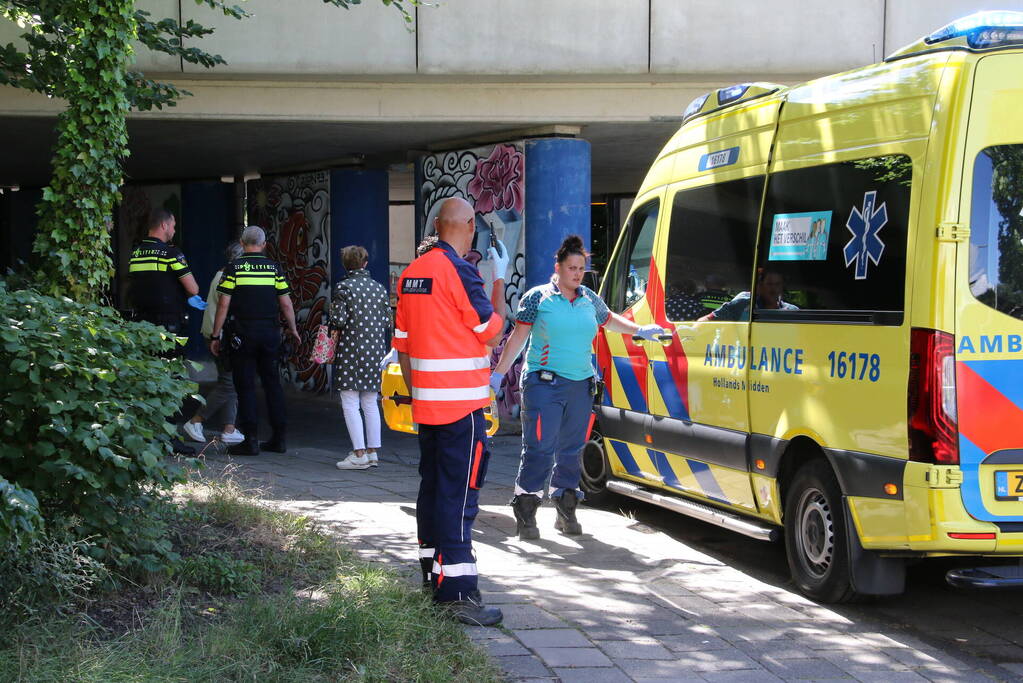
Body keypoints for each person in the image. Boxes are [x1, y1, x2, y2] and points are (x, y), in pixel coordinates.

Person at [491, 235, 663, 541]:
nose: (577, 273)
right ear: (557, 267)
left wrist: (641, 331)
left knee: (572, 451)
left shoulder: (589, 299)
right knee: (540, 449)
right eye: (571, 267)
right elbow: (518, 338)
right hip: (544, 384)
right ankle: (527, 509)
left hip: (580, 385)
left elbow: (610, 320)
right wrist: (498, 374)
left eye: (581, 268)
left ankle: (566, 507)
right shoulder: (537, 298)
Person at [393, 197, 509, 626]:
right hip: (462, 407)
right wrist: (497, 283)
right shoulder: (458, 270)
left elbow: (402, 347)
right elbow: (491, 332)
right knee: (459, 498)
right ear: (468, 227)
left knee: (433, 491)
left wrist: (420, 392)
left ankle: (433, 576)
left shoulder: (411, 274)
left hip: (428, 406)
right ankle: (458, 595)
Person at [209, 226, 301, 456]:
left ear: (242, 243)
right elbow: (286, 303)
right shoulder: (274, 269)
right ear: (264, 245)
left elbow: (223, 304)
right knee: (273, 385)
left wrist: (215, 334)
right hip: (270, 333)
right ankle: (279, 439)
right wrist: (293, 328)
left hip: (243, 334)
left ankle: (250, 440)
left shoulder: (234, 268)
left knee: (245, 386)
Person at [128, 208, 207, 455]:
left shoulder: (137, 253)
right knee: (171, 380)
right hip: (169, 326)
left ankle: (148, 435)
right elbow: (193, 288)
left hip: (142, 325)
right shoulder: (171, 253)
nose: (173, 230)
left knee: (148, 380)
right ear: (163, 226)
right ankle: (169, 437)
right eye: (172, 225)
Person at [332, 245, 391, 470]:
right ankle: (373, 452)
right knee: (370, 401)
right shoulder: (378, 288)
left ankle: (358, 454)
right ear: (365, 263)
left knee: (349, 402)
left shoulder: (344, 288)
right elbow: (387, 321)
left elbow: (338, 320)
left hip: (350, 351)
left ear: (346, 265)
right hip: (375, 351)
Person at [181, 241, 245, 446]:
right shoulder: (227, 277)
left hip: (215, 333)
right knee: (228, 383)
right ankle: (196, 420)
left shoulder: (221, 274)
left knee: (231, 382)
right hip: (220, 336)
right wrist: (217, 336)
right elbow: (227, 307)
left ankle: (229, 428)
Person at [699, 269, 798, 322]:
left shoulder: (792, 311)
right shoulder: (742, 304)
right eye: (769, 284)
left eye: (777, 284)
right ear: (760, 286)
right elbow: (708, 319)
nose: (773, 289)